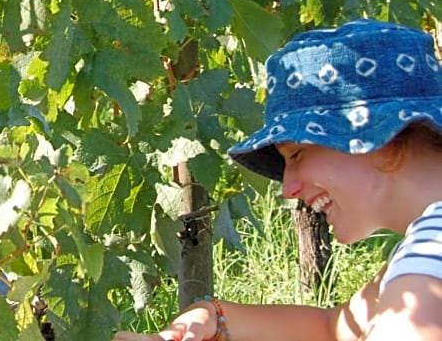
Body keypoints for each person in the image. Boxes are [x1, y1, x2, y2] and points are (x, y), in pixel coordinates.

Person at [113, 18, 442, 341]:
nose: (288, 189)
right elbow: (334, 328)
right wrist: (213, 317)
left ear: (382, 138)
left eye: (297, 155)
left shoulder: (432, 246)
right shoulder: (423, 254)